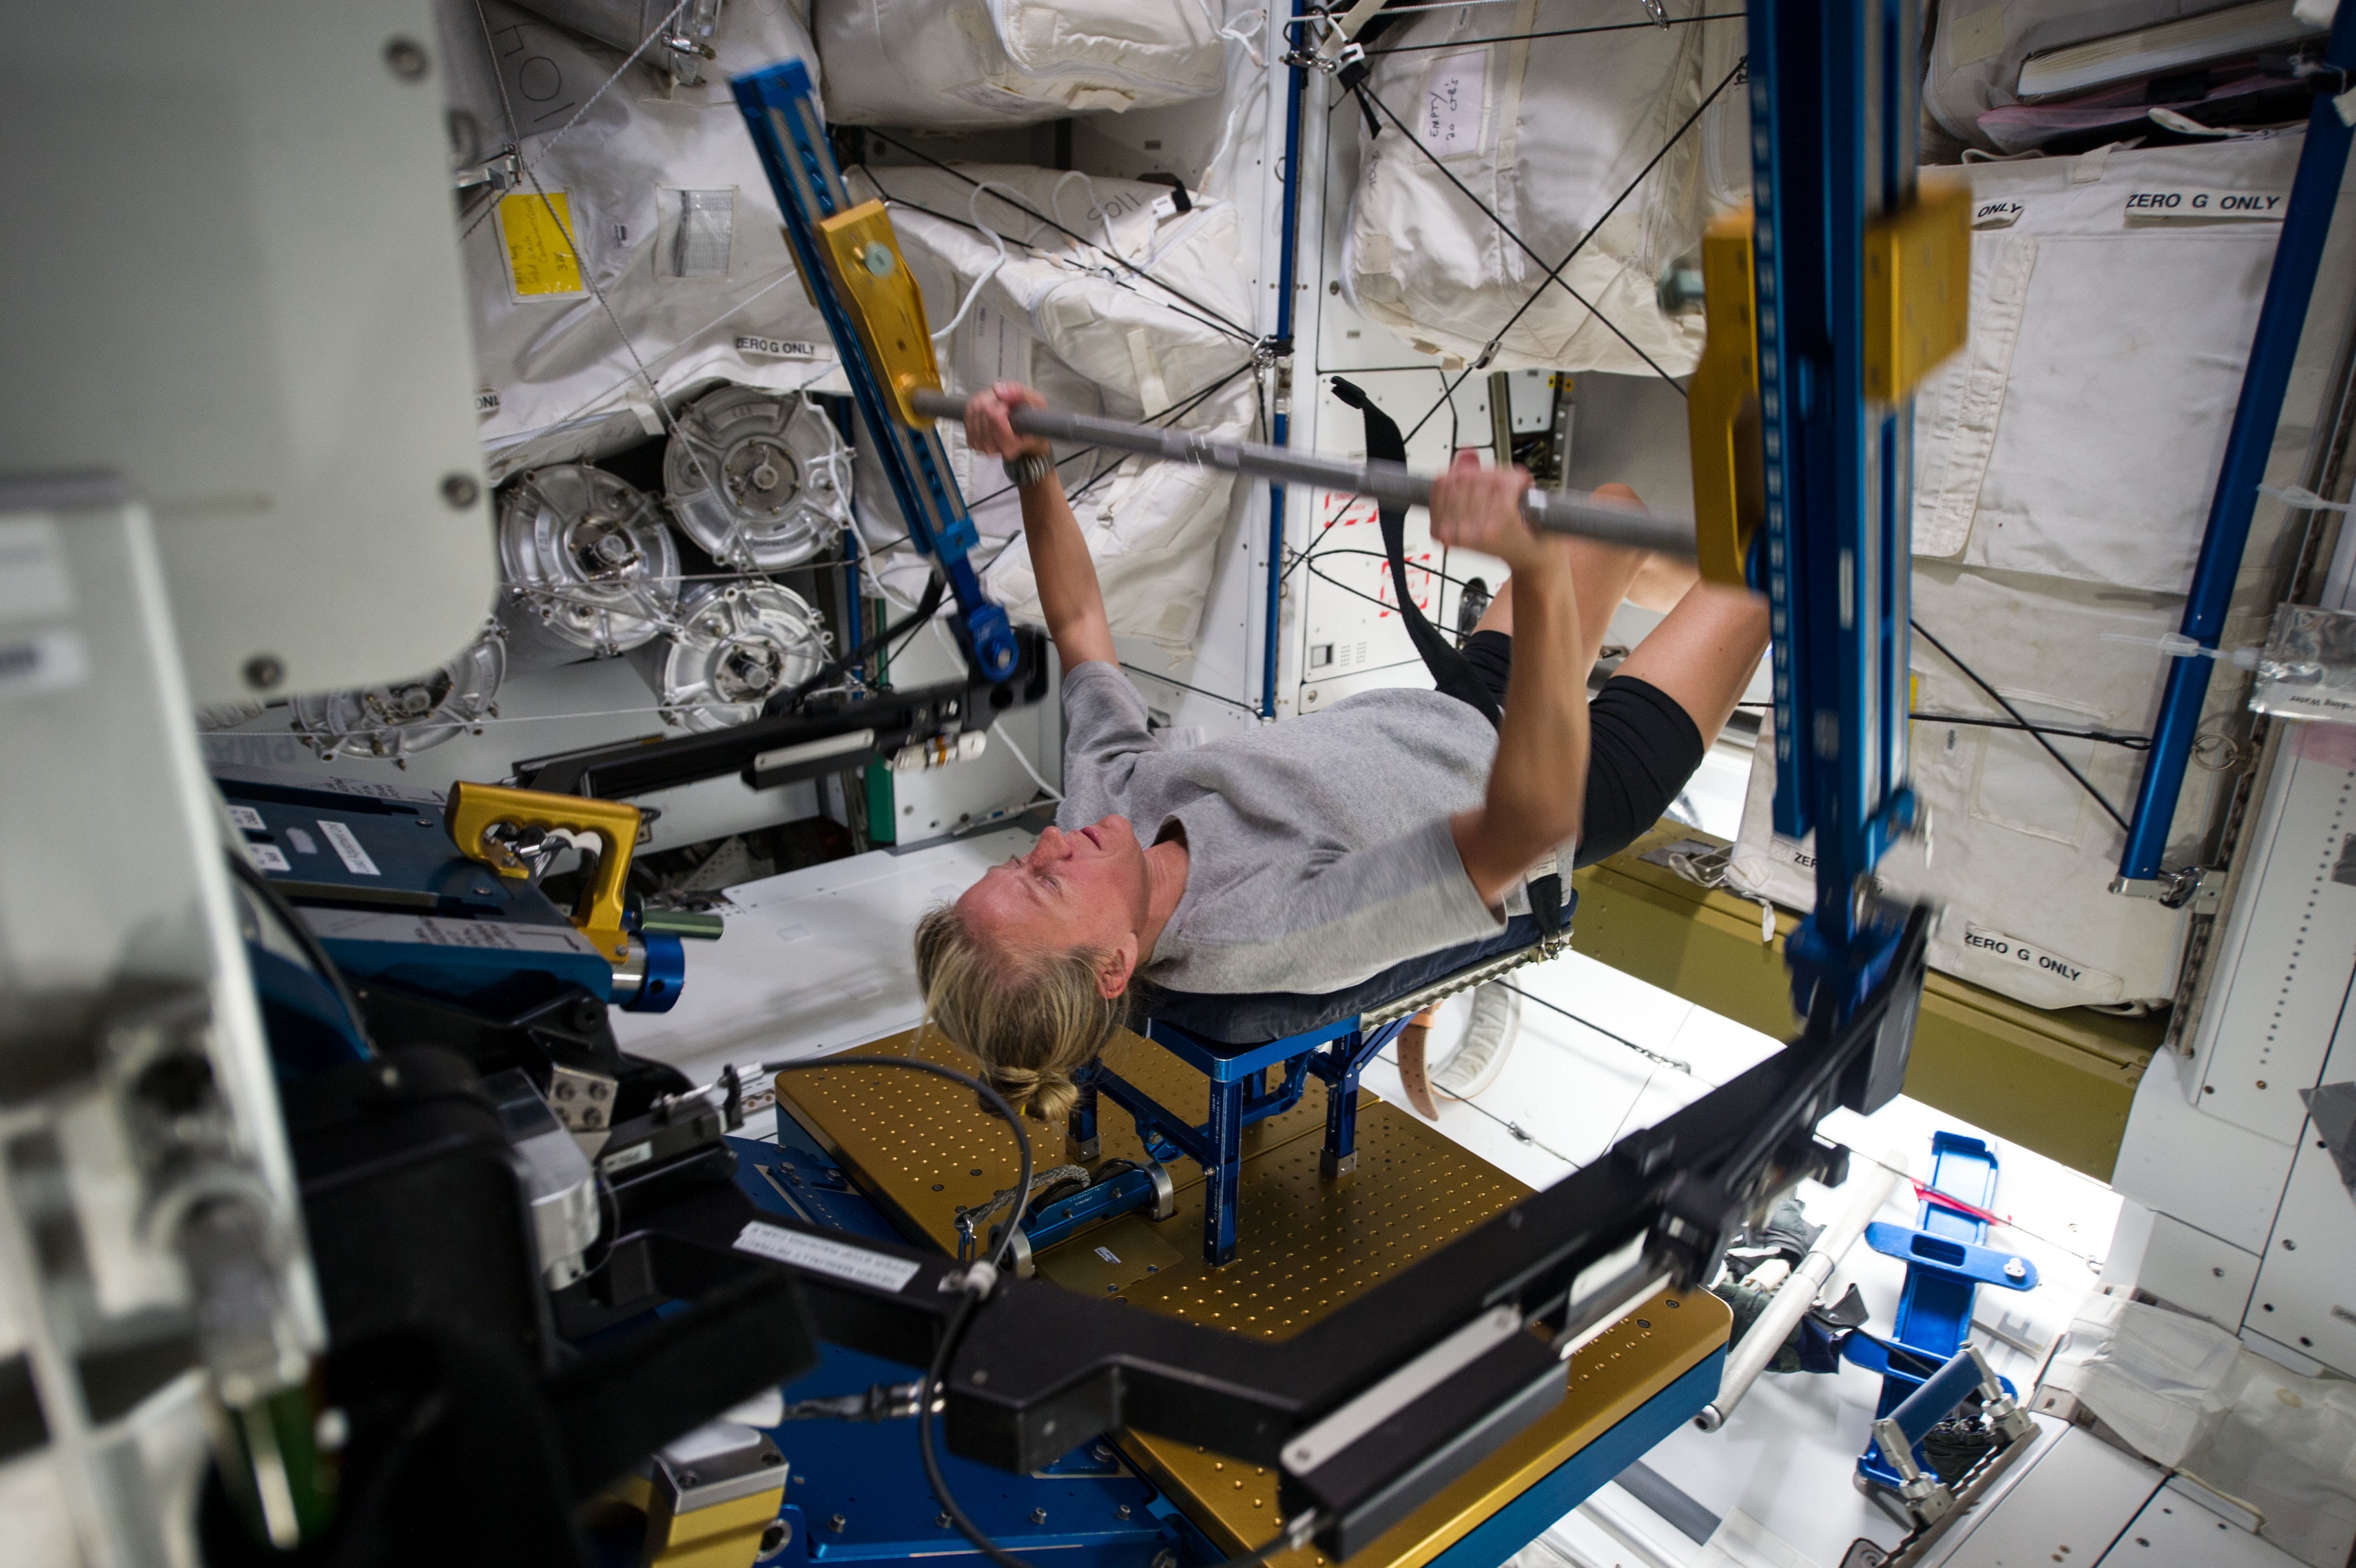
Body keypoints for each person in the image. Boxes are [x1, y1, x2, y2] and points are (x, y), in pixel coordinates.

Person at [915, 383, 1768, 1123]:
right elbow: (1528, 821)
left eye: (1026, 857)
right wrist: (1533, 573)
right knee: (1763, 573)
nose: (1055, 840)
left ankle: (1678, 605)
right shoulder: (1270, 930)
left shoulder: (1103, 812)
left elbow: (1077, 629)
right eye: (1047, 880)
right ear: (1114, 965)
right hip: (1569, 787)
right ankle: (1719, 604)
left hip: (1463, 708)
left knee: (1611, 512)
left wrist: (1031, 462)